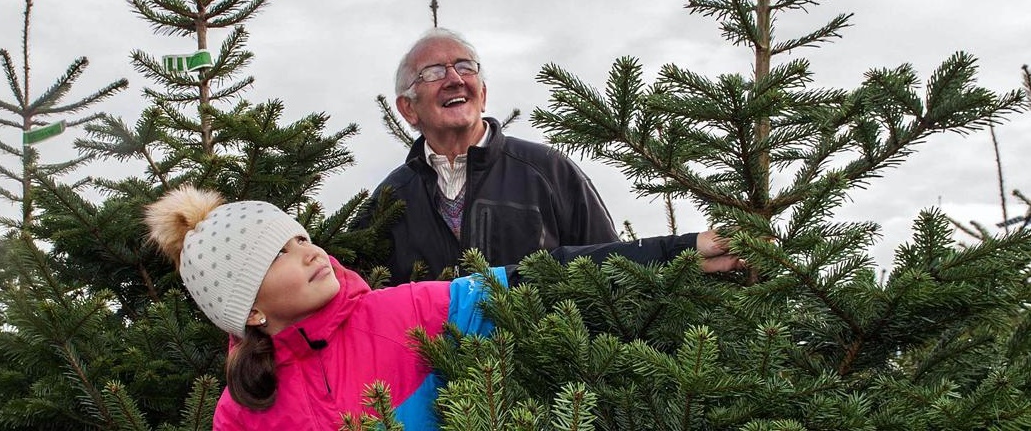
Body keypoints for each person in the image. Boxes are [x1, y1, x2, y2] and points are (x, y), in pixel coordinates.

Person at [145, 185, 740, 430]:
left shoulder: (406, 311)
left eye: (300, 235)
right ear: (249, 310)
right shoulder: (241, 409)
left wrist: (681, 250)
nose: (308, 251)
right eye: (279, 253)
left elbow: (546, 278)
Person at [354, 27, 630, 285]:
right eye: (434, 72)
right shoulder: (388, 201)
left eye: (465, 67)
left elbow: (612, 271)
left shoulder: (549, 170)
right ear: (408, 109)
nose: (455, 79)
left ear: (483, 95)